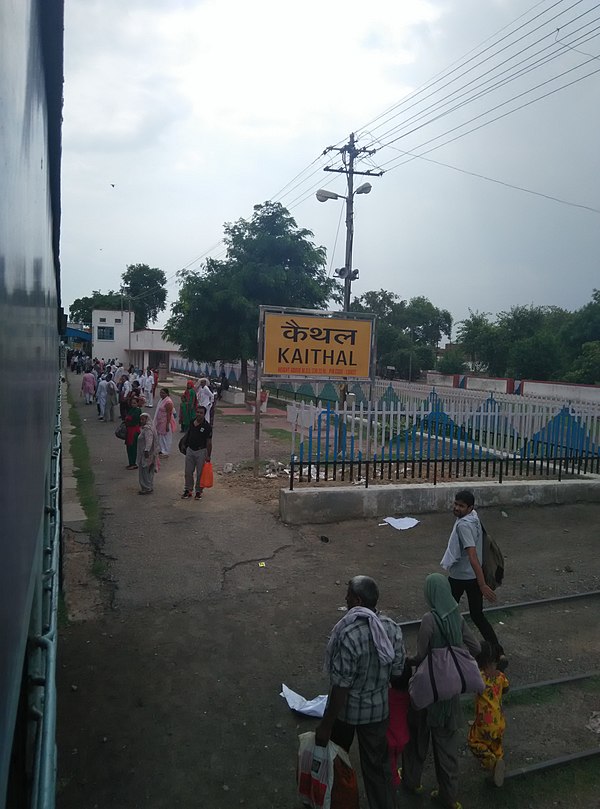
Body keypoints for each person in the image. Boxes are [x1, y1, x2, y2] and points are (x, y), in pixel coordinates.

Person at [315, 575, 406, 809]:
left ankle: (340, 803)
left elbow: (341, 686)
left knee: (339, 763)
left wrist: (326, 724)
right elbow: (397, 672)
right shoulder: (391, 629)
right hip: (377, 712)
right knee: (377, 768)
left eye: (347, 595)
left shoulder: (348, 633)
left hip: (347, 714)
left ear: (356, 600)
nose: (344, 598)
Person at [401, 574, 480, 809]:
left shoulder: (429, 619)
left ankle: (412, 782)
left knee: (417, 739)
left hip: (428, 694)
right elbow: (475, 648)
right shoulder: (458, 618)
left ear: (431, 594)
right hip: (449, 696)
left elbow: (420, 656)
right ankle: (448, 796)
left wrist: (407, 661)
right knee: (446, 749)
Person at [440, 490, 506, 666]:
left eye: (461, 506)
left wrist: (482, 584)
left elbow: (472, 555)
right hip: (471, 577)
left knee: (445, 612)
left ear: (470, 508)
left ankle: (446, 652)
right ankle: (498, 652)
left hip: (461, 577)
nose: (457, 508)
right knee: (477, 615)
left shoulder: (463, 526)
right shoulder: (473, 518)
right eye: (456, 504)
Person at [467, 641, 509, 786]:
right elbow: (506, 688)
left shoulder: (479, 677)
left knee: (474, 742)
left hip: (485, 722)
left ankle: (492, 763)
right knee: (495, 743)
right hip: (499, 721)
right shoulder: (500, 676)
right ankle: (498, 760)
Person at [387, 661, 411, 790]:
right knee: (394, 760)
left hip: (389, 739)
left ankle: (393, 787)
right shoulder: (408, 696)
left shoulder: (388, 695)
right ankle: (396, 775)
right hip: (402, 738)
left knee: (389, 765)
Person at [181, 406, 212, 499]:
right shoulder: (192, 422)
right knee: (188, 472)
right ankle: (188, 490)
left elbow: (209, 442)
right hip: (190, 450)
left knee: (200, 473)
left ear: (204, 414)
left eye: (201, 413)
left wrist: (208, 455)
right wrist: (183, 443)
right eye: (197, 412)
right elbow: (188, 433)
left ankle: (198, 491)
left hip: (201, 451)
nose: (199, 414)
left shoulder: (207, 427)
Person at [137, 413, 159, 494]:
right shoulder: (150, 427)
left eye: (143, 419)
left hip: (146, 454)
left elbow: (149, 441)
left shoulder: (147, 429)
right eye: (141, 419)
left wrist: (146, 450)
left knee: (145, 471)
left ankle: (146, 488)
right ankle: (149, 486)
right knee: (149, 470)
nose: (141, 421)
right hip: (150, 454)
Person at [154, 387, 176, 457]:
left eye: (163, 393)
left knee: (166, 437)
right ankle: (161, 450)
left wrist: (167, 424)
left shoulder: (168, 402)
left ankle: (166, 451)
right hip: (160, 421)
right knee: (160, 436)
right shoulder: (161, 400)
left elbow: (169, 414)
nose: (161, 394)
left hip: (166, 421)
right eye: (161, 393)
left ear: (167, 394)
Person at [125, 395, 142, 470]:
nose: (133, 404)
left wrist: (128, 419)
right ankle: (130, 462)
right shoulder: (131, 409)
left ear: (137, 403)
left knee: (133, 447)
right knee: (129, 447)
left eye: (134, 403)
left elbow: (134, 420)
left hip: (134, 431)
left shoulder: (138, 410)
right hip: (129, 430)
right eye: (132, 403)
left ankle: (133, 463)